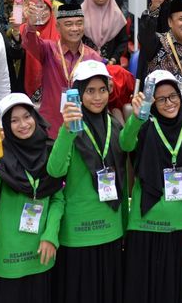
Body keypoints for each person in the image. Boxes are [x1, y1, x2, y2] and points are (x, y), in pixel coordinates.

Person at [120, 70, 182, 303]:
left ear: (180, 95)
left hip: (177, 226)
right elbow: (125, 144)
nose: (169, 103)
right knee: (139, 289)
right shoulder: (144, 126)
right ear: (152, 102)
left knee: (169, 291)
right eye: (161, 98)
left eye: (173, 96)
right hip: (143, 222)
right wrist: (136, 118)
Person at [47, 60, 126, 303]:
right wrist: (67, 131)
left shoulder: (115, 124)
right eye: (90, 91)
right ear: (78, 94)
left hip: (111, 229)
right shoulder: (71, 129)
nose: (97, 97)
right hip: (78, 232)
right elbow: (55, 170)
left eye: (102, 90)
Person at [0, 92, 64, 302]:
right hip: (9, 252)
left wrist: (50, 235)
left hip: (41, 249)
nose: (23, 124)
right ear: (5, 127)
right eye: (14, 120)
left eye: (27, 116)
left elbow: (58, 199)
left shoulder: (50, 150)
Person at [21, 3, 103, 138]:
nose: (75, 28)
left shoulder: (93, 57)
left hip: (83, 127)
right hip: (52, 126)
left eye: (79, 23)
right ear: (58, 27)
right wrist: (30, 24)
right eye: (69, 24)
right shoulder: (48, 50)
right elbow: (30, 42)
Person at [15, 0, 59, 101]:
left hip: (53, 84)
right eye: (37, 8)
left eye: (44, 9)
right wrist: (15, 29)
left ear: (51, 10)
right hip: (25, 83)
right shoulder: (22, 29)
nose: (41, 13)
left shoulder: (59, 31)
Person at [81, 0, 129, 65]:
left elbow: (123, 41)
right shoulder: (81, 13)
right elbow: (76, 40)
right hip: (85, 63)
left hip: (110, 65)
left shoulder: (116, 15)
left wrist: (113, 59)